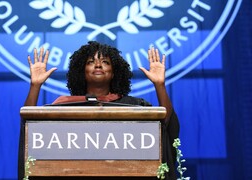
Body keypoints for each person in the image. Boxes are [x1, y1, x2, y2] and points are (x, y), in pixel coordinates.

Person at [20, 41, 180, 180]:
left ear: (113, 73)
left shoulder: (134, 106)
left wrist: (159, 85)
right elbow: (29, 126)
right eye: (91, 62)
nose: (98, 65)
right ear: (82, 71)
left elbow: (165, 124)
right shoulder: (64, 107)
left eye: (105, 62)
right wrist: (35, 86)